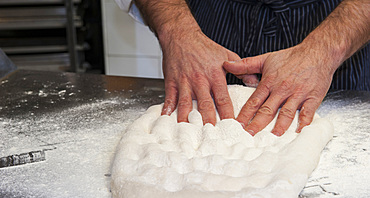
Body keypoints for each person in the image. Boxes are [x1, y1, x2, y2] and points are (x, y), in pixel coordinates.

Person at [115, 0, 369, 136]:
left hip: (335, 24)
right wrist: (176, 30)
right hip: (207, 22)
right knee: (196, 128)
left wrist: (325, 51)